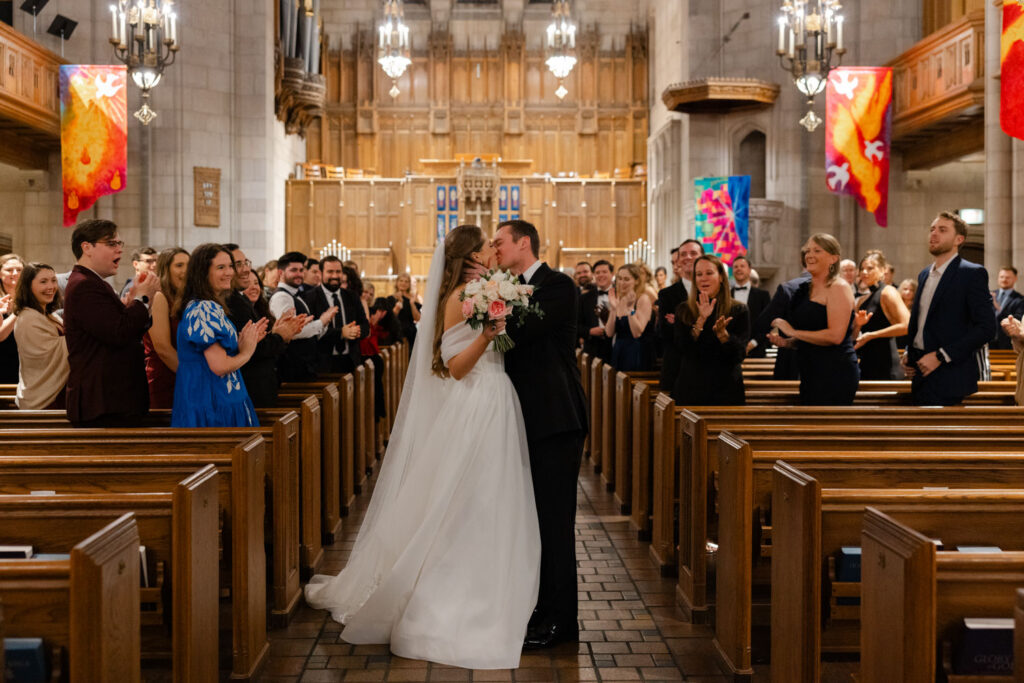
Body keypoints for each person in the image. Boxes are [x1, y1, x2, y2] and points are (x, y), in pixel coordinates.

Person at [305, 225, 541, 668]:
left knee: (491, 500)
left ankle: (493, 585)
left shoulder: (483, 288)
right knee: (468, 502)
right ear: (470, 257)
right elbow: (454, 368)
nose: (493, 250)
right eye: (486, 247)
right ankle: (455, 594)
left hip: (496, 402)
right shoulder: (458, 298)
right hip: (477, 403)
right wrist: (488, 336)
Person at [491, 219, 588, 650]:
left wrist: (493, 309)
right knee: (533, 521)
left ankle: (562, 621)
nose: (494, 250)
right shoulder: (507, 286)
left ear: (523, 243)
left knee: (555, 522)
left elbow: (518, 334)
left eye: (500, 243)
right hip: (525, 419)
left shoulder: (559, 286)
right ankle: (539, 607)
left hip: (555, 419)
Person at [64, 219, 158, 426]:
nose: (119, 250)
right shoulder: (85, 286)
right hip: (103, 402)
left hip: (111, 400)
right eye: (111, 244)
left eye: (119, 244)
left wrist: (137, 305)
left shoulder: (93, 283)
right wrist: (140, 299)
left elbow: (120, 329)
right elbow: (119, 333)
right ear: (87, 247)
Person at [901, 212, 997, 405]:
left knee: (939, 433)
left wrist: (941, 356)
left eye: (942, 230)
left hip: (950, 374)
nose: (934, 234)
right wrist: (909, 352)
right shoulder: (924, 274)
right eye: (932, 229)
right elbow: (921, 321)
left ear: (958, 239)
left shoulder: (971, 273)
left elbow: (987, 328)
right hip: (920, 371)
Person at [171, 243, 267, 427]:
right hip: (213, 401)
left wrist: (246, 341)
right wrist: (247, 351)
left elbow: (214, 355)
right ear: (202, 273)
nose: (229, 272)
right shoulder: (204, 308)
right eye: (221, 267)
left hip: (214, 397)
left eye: (230, 266)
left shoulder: (205, 306)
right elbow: (220, 366)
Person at [770, 234, 859, 405]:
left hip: (835, 372)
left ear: (834, 258)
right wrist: (789, 342)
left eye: (817, 250)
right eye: (808, 250)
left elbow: (835, 336)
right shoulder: (806, 289)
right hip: (810, 370)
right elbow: (811, 334)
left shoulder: (838, 287)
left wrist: (792, 331)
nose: (809, 255)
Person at [227, 245, 305, 407]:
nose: (245, 269)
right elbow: (255, 348)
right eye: (238, 264)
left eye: (245, 263)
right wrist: (280, 335)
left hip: (260, 385)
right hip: (251, 388)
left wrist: (278, 333)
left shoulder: (240, 300)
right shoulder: (233, 302)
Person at [672, 254, 748, 405]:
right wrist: (700, 321)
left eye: (709, 273)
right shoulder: (684, 309)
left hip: (726, 389)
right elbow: (682, 349)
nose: (703, 278)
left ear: (721, 277)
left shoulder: (738, 309)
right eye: (699, 274)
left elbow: (739, 355)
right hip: (691, 388)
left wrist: (723, 336)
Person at [270, 252, 337, 381]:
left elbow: (309, 332)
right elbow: (291, 332)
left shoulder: (294, 295)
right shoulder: (282, 297)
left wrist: (324, 322)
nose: (299, 274)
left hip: (305, 365)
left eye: (301, 270)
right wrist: (320, 322)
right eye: (294, 270)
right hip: (293, 366)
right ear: (280, 273)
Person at [13, 262, 68, 409]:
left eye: (53, 280)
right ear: (28, 286)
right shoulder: (28, 319)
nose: (51, 287)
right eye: (43, 282)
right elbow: (47, 355)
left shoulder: (49, 315)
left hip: (60, 393)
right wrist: (83, 336)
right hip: (45, 398)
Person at [304, 256, 369, 374]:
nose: (334, 276)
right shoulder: (309, 297)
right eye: (330, 272)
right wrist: (341, 333)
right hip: (323, 364)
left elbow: (365, 326)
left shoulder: (352, 296)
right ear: (321, 273)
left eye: (338, 272)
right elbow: (310, 332)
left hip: (351, 361)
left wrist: (356, 331)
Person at [753, 248, 811, 380]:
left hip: (792, 362)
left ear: (801, 261)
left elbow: (762, 324)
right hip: (827, 364)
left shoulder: (789, 289)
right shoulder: (838, 288)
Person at [851, 251, 910, 379]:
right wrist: (858, 326)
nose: (864, 272)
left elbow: (906, 325)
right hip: (866, 362)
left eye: (870, 268)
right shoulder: (862, 300)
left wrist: (872, 335)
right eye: (862, 269)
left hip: (886, 363)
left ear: (883, 270)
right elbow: (854, 337)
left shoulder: (888, 292)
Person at [144, 248, 188, 409]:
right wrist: (192, 377)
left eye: (189, 265)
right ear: (165, 269)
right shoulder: (159, 297)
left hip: (181, 376)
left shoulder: (185, 300)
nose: (185, 270)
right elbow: (162, 347)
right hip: (165, 378)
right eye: (179, 265)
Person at [656, 239, 701, 389]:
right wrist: (698, 325)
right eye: (683, 254)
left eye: (693, 253)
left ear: (703, 258)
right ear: (678, 261)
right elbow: (664, 332)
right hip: (676, 367)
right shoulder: (666, 294)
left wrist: (680, 322)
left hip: (706, 367)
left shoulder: (714, 291)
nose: (688, 257)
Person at [604, 264, 655, 371]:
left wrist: (630, 310)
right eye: (620, 279)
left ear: (636, 281)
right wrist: (613, 309)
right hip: (619, 351)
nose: (622, 283)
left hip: (636, 353)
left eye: (626, 279)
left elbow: (637, 333)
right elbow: (609, 333)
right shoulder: (619, 299)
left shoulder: (643, 299)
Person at [730, 255, 770, 358]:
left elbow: (768, 323)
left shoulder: (763, 295)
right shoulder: (726, 295)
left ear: (749, 270)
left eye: (742, 266)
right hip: (730, 351)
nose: (738, 269)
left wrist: (753, 344)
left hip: (757, 350)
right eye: (735, 267)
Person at [579, 260, 613, 361]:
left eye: (604, 272)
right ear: (594, 275)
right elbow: (576, 325)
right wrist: (590, 331)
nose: (600, 275)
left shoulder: (620, 295)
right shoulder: (584, 298)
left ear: (612, 274)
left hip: (615, 347)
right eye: (597, 273)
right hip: (592, 349)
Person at [0, 252, 24, 383]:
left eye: (19, 270)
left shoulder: (33, 298)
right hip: (3, 363)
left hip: (25, 364)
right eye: (9, 270)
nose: (15, 273)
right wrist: (19, 310)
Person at [991, 266, 1024, 350]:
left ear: (1015, 279)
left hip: (1007, 344)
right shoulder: (989, 295)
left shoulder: (1020, 299)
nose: (1004, 280)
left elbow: (1017, 319)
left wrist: (998, 307)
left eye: (1007, 277)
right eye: (1001, 277)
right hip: (988, 341)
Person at [389, 272, 421, 347]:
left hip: (411, 332)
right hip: (396, 332)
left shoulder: (413, 299)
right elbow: (391, 317)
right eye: (401, 281)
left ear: (409, 284)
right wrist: (400, 302)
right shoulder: (391, 299)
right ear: (397, 283)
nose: (403, 283)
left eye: (406, 281)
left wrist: (412, 303)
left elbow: (417, 318)